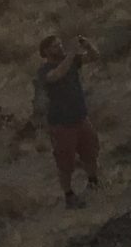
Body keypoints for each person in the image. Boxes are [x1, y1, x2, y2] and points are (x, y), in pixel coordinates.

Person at [36, 32, 102, 208]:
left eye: (60, 44)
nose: (60, 47)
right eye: (55, 46)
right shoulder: (44, 70)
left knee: (90, 151)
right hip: (61, 123)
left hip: (80, 117)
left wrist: (88, 45)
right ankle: (69, 195)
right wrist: (72, 54)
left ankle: (93, 182)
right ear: (46, 51)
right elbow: (57, 75)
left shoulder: (71, 60)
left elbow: (95, 57)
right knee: (65, 162)